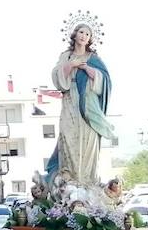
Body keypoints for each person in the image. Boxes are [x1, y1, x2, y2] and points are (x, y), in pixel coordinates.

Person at [47, 21, 113, 186]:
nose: (84, 36)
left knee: (87, 141)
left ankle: (86, 182)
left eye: (87, 34)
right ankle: (70, 182)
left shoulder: (93, 59)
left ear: (90, 39)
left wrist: (87, 69)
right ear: (75, 35)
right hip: (70, 101)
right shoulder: (66, 56)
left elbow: (105, 81)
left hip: (88, 105)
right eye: (81, 32)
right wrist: (71, 65)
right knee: (68, 137)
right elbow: (58, 77)